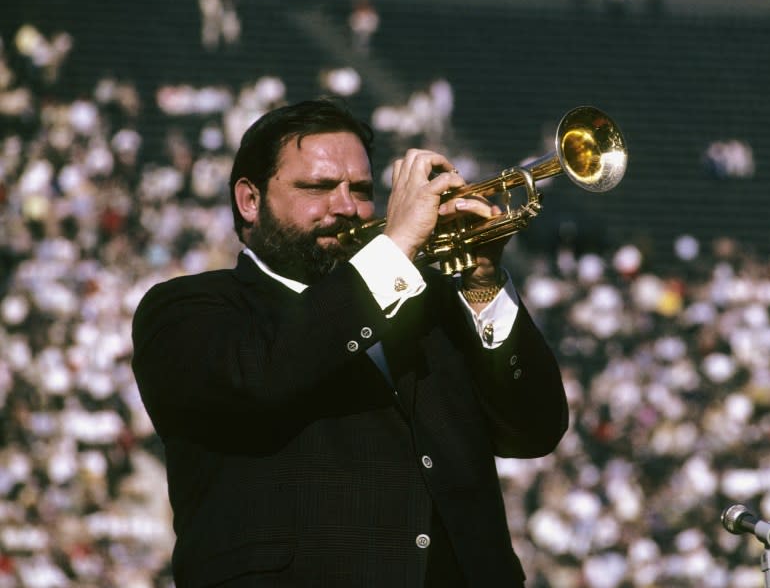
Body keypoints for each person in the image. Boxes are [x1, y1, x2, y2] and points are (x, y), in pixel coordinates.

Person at [131, 98, 568, 587]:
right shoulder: (186, 310)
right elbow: (263, 375)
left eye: (360, 189)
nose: (345, 208)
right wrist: (397, 247)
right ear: (249, 201)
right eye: (317, 188)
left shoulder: (429, 304)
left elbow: (534, 431)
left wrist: (483, 283)